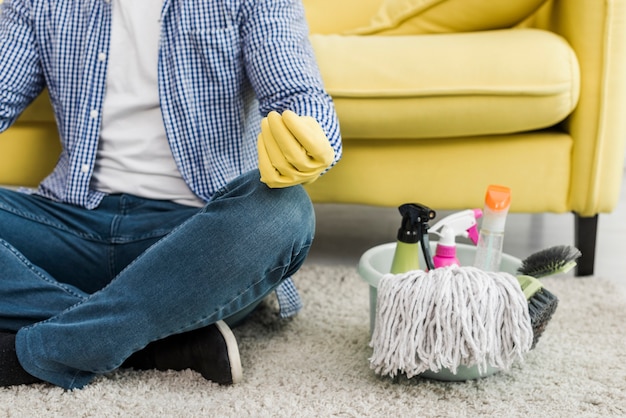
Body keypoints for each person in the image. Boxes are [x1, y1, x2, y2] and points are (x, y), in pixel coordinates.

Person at [0, 0, 341, 389]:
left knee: (285, 212)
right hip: (70, 222)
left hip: (196, 242)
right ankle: (159, 339)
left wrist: (312, 141)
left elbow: (299, 94)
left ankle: (28, 351)